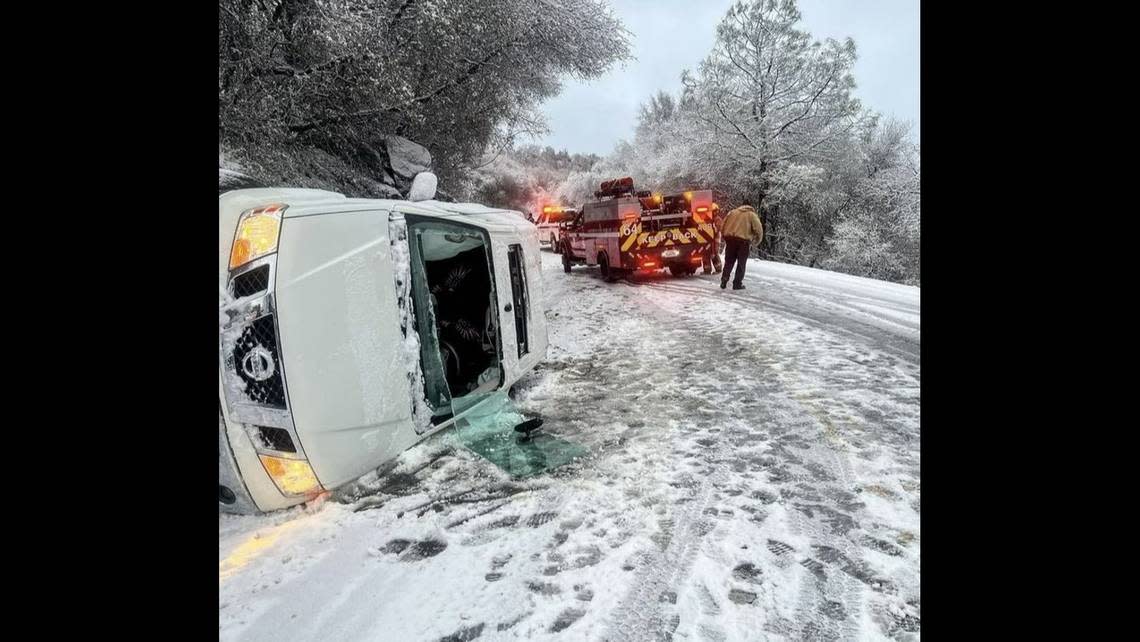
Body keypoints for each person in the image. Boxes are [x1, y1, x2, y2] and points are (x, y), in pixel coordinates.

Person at [719, 200, 764, 290]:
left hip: (730, 240)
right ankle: (737, 284)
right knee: (741, 263)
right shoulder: (751, 215)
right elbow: (759, 229)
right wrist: (757, 241)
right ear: (750, 206)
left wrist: (724, 236)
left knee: (729, 262)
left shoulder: (732, 213)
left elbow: (722, 225)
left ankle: (724, 279)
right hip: (743, 242)